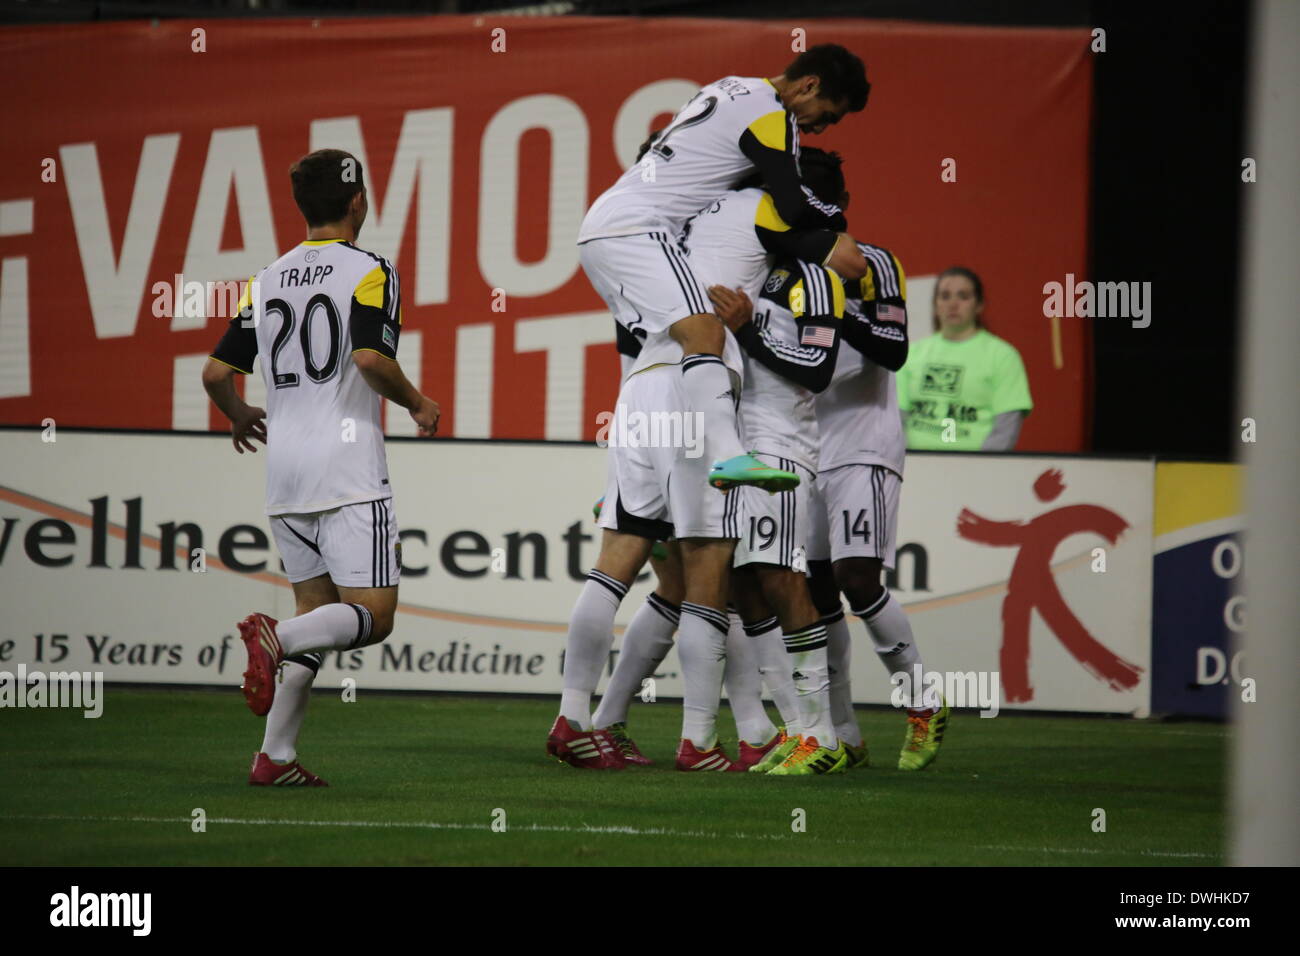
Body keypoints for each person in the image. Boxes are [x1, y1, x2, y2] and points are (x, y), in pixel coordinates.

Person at [550, 45, 871, 770]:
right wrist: (838, 232)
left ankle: (584, 719)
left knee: (620, 565)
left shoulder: (716, 113)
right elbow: (823, 234)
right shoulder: (760, 186)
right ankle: (710, 736)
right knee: (710, 579)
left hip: (639, 387)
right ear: (810, 88)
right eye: (821, 117)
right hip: (701, 388)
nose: (811, 130)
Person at [201, 148, 440, 786]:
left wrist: (237, 413)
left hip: (285, 473)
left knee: (317, 617)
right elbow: (369, 359)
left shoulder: (269, 276)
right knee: (374, 617)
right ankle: (273, 636)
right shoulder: (372, 270)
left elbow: (216, 373)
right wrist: (419, 402)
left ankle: (274, 756)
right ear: (357, 201)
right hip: (348, 469)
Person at [805, 242, 950, 771]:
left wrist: (835, 304)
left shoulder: (872, 264)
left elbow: (892, 349)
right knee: (815, 590)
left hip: (864, 444)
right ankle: (844, 735)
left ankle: (923, 703)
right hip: (808, 447)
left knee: (857, 578)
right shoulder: (781, 265)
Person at [897, 267, 1032, 451]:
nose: (953, 304)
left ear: (979, 305)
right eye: (945, 296)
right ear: (935, 304)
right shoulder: (911, 353)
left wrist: (978, 467)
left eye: (963, 296)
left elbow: (1005, 429)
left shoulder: (1003, 356)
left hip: (976, 470)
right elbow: (895, 421)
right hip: (913, 466)